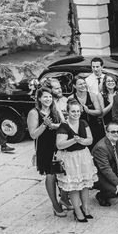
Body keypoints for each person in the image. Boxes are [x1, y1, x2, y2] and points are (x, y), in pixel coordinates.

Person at [55, 99, 98, 222]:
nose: (76, 113)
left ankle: (85, 207)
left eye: (78, 111)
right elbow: (60, 145)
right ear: (68, 112)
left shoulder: (83, 123)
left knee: (84, 183)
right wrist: (74, 140)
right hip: (70, 158)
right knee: (74, 185)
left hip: (83, 155)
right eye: (73, 111)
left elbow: (90, 140)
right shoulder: (64, 126)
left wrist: (81, 141)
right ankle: (77, 210)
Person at [27, 87, 64, 216]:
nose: (48, 99)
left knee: (62, 172)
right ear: (39, 99)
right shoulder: (34, 112)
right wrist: (44, 124)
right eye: (45, 97)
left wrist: (54, 126)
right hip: (44, 147)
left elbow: (64, 124)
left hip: (58, 144)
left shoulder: (55, 109)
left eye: (50, 97)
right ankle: (55, 205)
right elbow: (33, 135)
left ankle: (64, 199)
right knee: (51, 175)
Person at [92, 122, 118, 207]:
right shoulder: (101, 148)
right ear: (106, 132)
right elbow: (105, 169)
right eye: (113, 132)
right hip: (98, 176)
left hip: (111, 169)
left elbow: (117, 158)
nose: (116, 134)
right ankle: (101, 196)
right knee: (116, 191)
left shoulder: (115, 142)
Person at [72, 77, 104, 145]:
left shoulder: (92, 95)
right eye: (80, 84)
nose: (83, 85)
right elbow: (69, 116)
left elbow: (99, 112)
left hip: (94, 126)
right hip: (79, 129)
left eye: (84, 83)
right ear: (74, 86)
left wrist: (88, 111)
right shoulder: (71, 98)